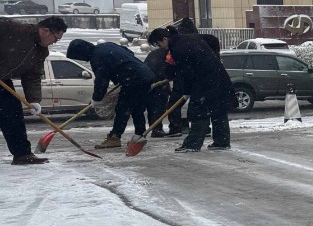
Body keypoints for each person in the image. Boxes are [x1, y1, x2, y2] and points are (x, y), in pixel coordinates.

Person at [0, 14, 66, 166]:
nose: (55, 42)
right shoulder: (14, 29)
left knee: (12, 113)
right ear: (45, 31)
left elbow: (33, 75)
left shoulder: (41, 51)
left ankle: (22, 154)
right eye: (56, 39)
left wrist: (34, 100)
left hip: (2, 80)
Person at [67, 38, 156, 150]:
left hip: (134, 79)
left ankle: (115, 137)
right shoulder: (106, 46)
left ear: (82, 53)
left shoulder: (97, 57)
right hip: (144, 74)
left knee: (123, 109)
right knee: (136, 107)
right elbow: (128, 52)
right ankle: (139, 135)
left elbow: (101, 81)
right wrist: (123, 70)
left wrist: (96, 99)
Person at [165, 18, 233, 152]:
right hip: (217, 79)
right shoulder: (207, 39)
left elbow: (185, 70)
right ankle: (222, 142)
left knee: (199, 112)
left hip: (203, 82)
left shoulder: (182, 45)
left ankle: (192, 144)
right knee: (218, 112)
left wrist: (186, 89)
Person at [144, 27, 182, 137]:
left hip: (152, 79)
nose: (158, 46)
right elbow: (168, 70)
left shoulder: (162, 52)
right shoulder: (169, 50)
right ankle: (159, 129)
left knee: (155, 106)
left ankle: (157, 129)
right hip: (156, 80)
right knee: (160, 105)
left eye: (158, 43)